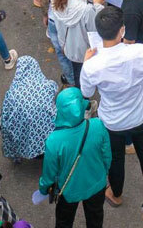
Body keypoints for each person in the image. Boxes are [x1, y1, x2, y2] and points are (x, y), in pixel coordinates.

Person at [80, 6, 143, 207]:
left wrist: (85, 63)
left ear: (99, 34)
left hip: (113, 121)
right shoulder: (140, 51)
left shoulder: (93, 65)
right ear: (122, 30)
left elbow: (87, 93)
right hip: (141, 114)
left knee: (115, 160)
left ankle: (116, 194)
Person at [37, 86, 111, 228]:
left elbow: (49, 173)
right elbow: (106, 155)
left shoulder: (54, 140)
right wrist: (104, 172)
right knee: (95, 219)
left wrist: (43, 188)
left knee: (64, 222)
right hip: (96, 183)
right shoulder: (97, 125)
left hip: (68, 189)